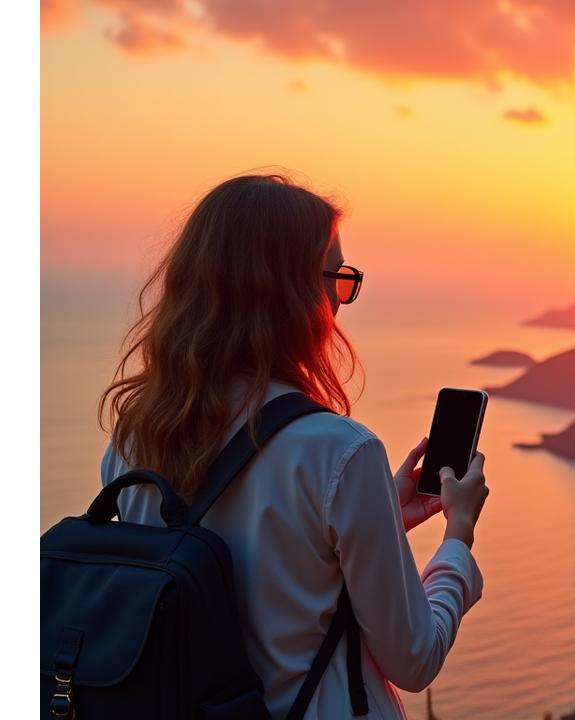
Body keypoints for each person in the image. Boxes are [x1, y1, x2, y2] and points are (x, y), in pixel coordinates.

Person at [96, 172, 489, 719]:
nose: (340, 300)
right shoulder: (339, 451)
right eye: (337, 276)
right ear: (294, 291)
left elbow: (233, 578)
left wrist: (379, 519)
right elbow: (413, 658)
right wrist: (458, 538)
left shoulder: (132, 441)